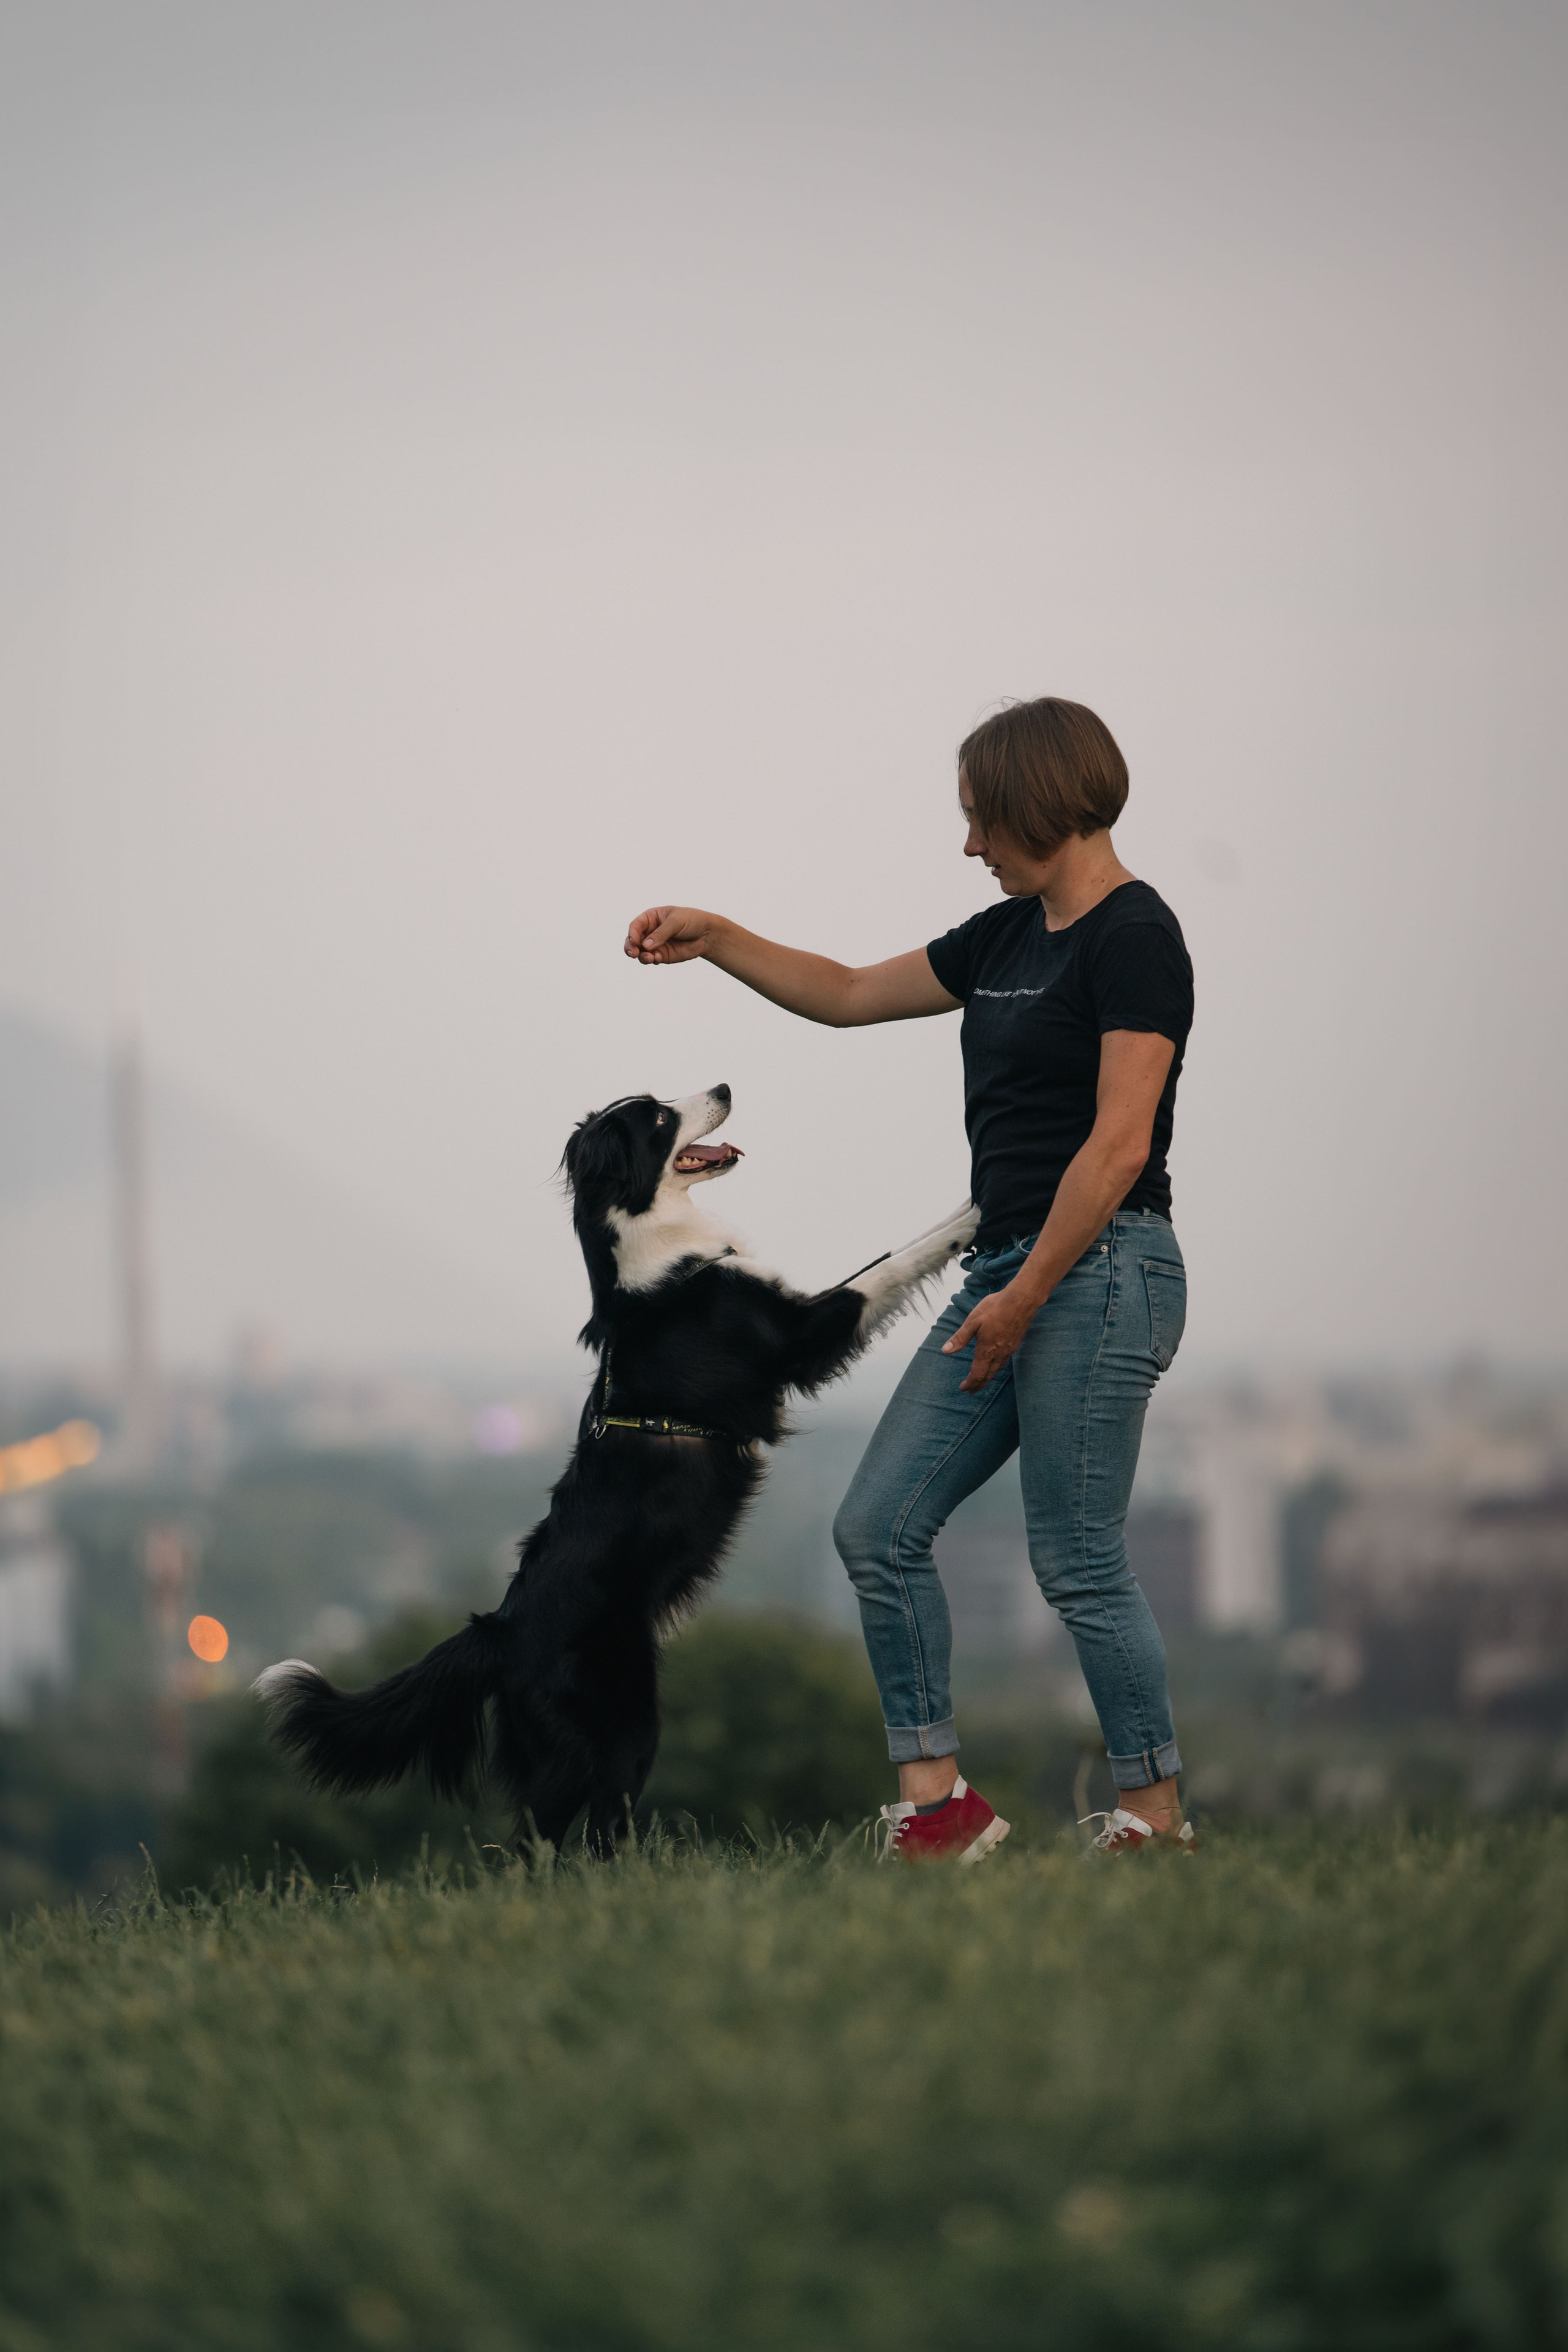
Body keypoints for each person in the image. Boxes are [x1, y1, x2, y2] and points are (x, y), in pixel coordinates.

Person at [624, 696, 1194, 1859]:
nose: (972, 846)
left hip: (1101, 1268)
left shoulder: (1136, 936)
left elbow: (1120, 1144)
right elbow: (842, 995)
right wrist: (719, 935)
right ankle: (941, 1813)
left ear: (1041, 803)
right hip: (1007, 1274)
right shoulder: (1004, 939)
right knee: (877, 1526)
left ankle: (1155, 1823)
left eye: (982, 820)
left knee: (1076, 1559)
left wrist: (1026, 1294)